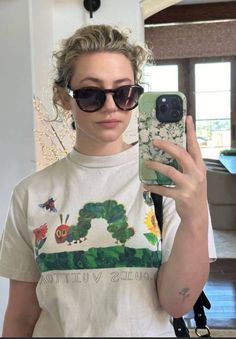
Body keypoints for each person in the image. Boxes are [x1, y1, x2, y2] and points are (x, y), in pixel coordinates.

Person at [0, 24, 216, 337]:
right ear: (64, 97)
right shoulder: (30, 194)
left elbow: (177, 304)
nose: (111, 106)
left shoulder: (172, 185)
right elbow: (21, 316)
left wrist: (195, 216)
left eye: (125, 92)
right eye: (90, 94)